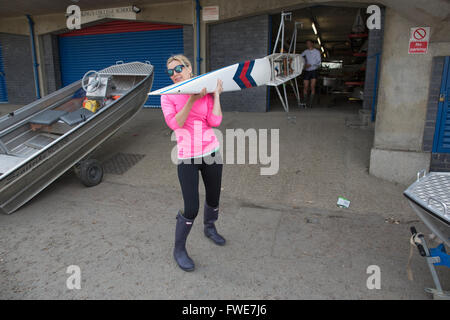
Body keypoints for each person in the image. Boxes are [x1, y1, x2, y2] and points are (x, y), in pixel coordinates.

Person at [160, 54, 225, 272]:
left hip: (211, 152)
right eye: (170, 72)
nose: (175, 74)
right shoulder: (167, 96)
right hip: (187, 156)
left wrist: (216, 96)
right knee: (191, 208)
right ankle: (179, 250)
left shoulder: (204, 89)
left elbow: (215, 121)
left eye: (178, 68)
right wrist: (191, 100)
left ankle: (209, 227)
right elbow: (175, 124)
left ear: (189, 69)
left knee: (214, 198)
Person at [301, 39, 321, 107]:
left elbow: (319, 62)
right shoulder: (305, 51)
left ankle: (311, 103)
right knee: (305, 86)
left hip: (314, 70)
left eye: (309, 43)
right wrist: (303, 65)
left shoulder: (317, 52)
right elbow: (300, 57)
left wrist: (310, 64)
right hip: (307, 71)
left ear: (312, 44)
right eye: (307, 43)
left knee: (312, 86)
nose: (308, 44)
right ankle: (305, 102)